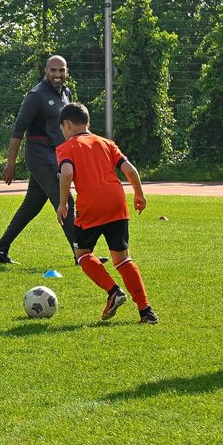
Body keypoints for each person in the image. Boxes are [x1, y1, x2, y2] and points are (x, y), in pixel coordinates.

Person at [53, 103, 158, 323]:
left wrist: (63, 203)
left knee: (82, 254)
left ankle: (113, 291)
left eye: (62, 128)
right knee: (122, 259)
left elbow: (67, 173)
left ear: (68, 125)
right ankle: (146, 311)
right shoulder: (106, 143)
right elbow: (129, 169)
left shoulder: (67, 147)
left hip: (92, 205)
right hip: (117, 202)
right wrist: (139, 194)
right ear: (88, 123)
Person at [0, 55, 75, 264]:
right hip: (39, 156)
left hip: (55, 155)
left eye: (61, 70)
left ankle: (0, 249)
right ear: (45, 71)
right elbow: (18, 129)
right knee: (66, 201)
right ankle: (82, 255)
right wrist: (11, 163)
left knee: (32, 206)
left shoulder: (66, 93)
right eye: (53, 70)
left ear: (66, 71)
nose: (57, 74)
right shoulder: (36, 95)